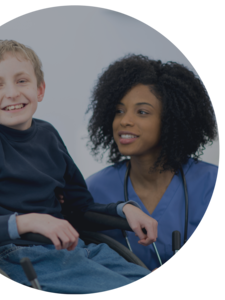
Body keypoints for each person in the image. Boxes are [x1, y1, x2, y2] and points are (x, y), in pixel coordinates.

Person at [0, 41, 158, 295]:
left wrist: (125, 210)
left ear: (40, 90)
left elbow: (79, 209)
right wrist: (29, 222)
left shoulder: (48, 135)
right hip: (17, 253)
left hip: (74, 248)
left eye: (22, 81)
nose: (12, 93)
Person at [81, 54, 220, 271]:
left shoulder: (210, 184)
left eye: (142, 112)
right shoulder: (94, 190)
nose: (124, 120)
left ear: (172, 120)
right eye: (119, 111)